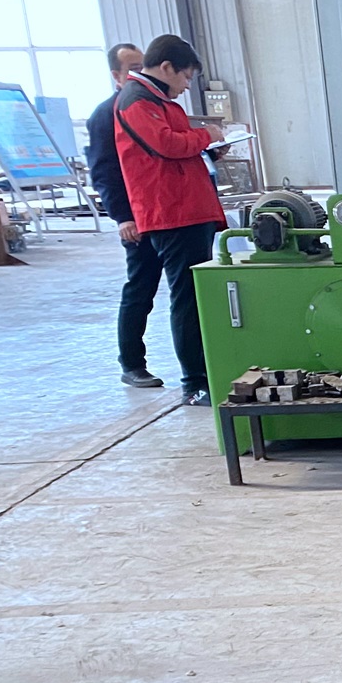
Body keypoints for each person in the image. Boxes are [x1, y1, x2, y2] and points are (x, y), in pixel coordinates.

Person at [113, 34, 226, 406]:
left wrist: (208, 148)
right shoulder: (136, 100)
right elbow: (167, 145)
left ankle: (206, 374)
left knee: (194, 297)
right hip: (172, 214)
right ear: (166, 67)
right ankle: (195, 383)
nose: (187, 85)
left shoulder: (158, 101)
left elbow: (176, 147)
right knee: (186, 299)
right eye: (186, 76)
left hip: (188, 210)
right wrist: (205, 135)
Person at [85, 43, 164, 390]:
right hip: (139, 220)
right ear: (115, 75)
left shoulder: (153, 107)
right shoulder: (107, 114)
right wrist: (123, 217)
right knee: (140, 290)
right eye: (131, 68)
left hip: (167, 214)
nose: (139, 73)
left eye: (142, 66)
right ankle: (132, 364)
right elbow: (104, 172)